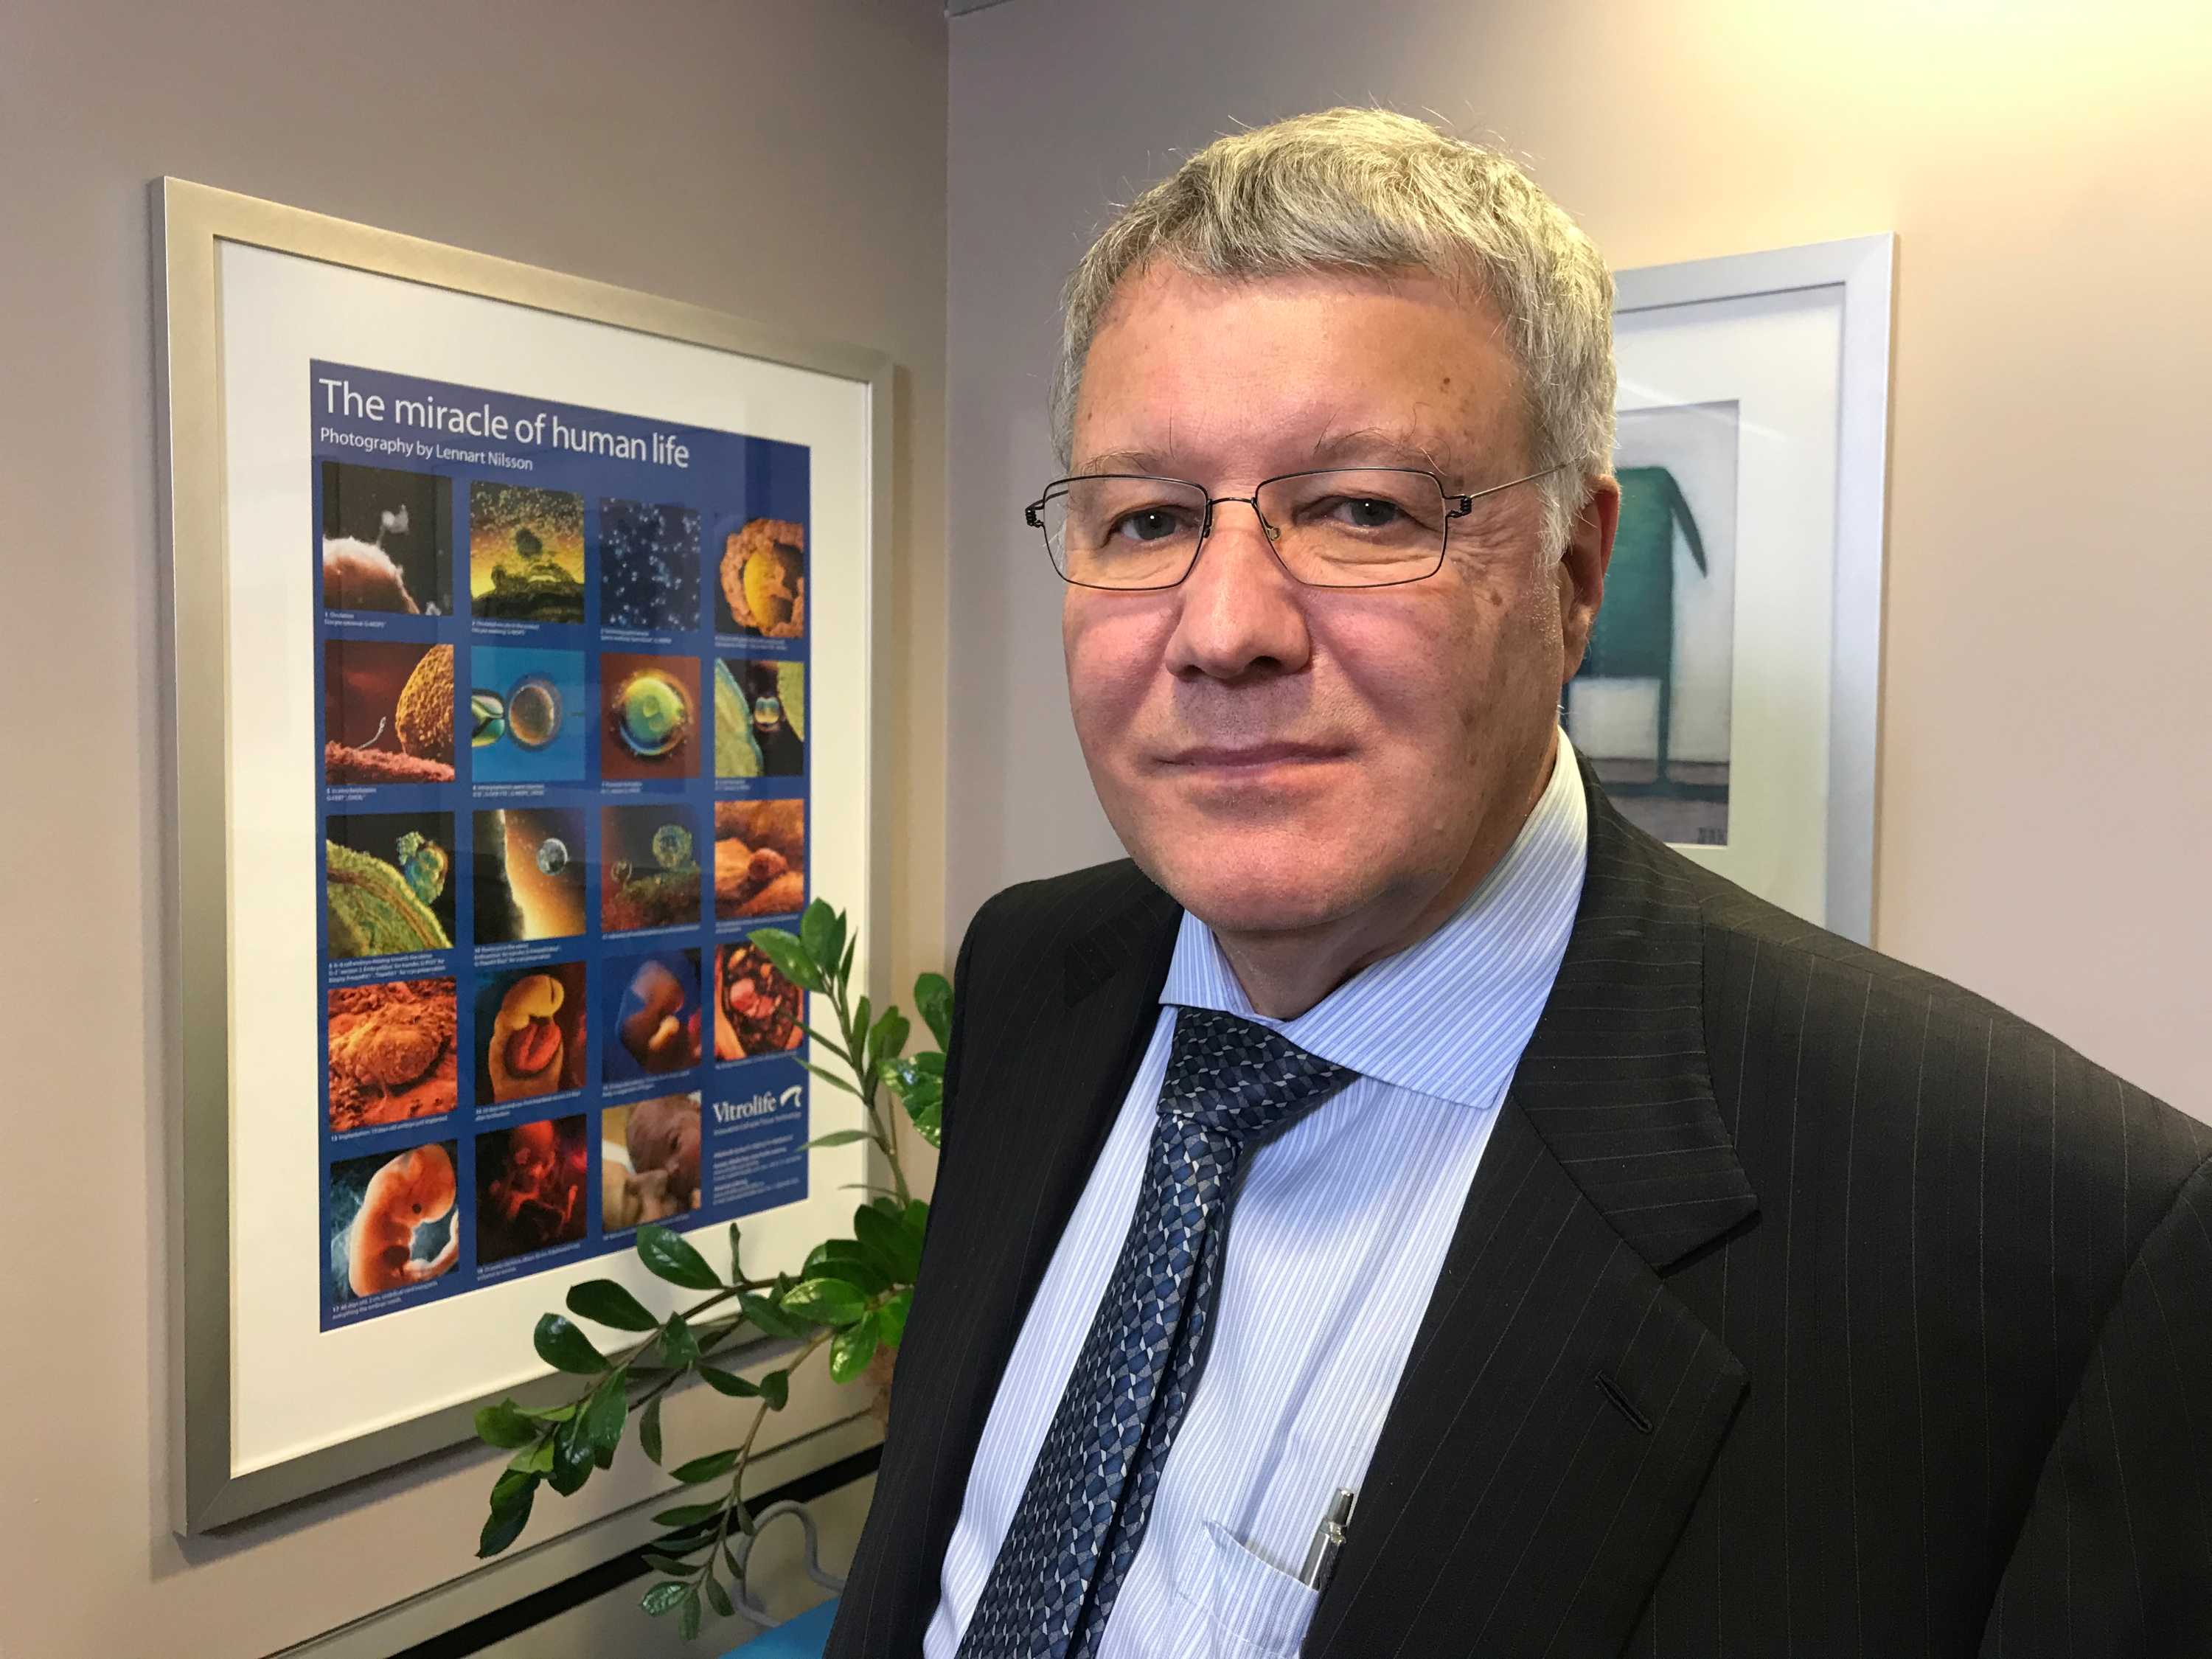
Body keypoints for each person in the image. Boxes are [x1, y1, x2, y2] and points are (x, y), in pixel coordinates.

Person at [829, 108, 2212, 1657]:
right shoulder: (1038, 972)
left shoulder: (2049, 1239)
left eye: (1363, 509)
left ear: (1574, 570)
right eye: (1147, 518)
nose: (1223, 629)